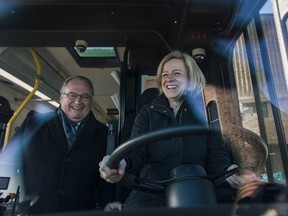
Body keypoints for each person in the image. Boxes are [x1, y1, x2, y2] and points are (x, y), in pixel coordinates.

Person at [99, 50, 258, 209]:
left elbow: (216, 156)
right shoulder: (147, 113)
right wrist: (121, 161)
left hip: (197, 190)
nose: (169, 79)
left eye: (177, 73)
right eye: (165, 74)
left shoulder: (207, 113)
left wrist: (229, 170)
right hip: (151, 192)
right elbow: (136, 152)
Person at [2, 75, 116, 214]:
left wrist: (107, 203)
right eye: (72, 95)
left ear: (90, 101)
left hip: (80, 211)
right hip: (33, 210)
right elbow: (7, 163)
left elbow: (107, 178)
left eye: (85, 96)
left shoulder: (103, 133)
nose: (78, 101)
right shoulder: (32, 125)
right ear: (61, 97)